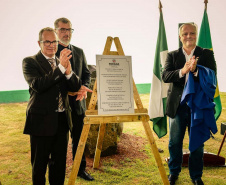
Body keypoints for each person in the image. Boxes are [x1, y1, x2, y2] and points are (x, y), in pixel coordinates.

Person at [22, 27, 92, 185]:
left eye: (54, 41)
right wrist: (61, 68)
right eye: (47, 41)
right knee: (39, 166)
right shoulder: (30, 62)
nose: (51, 45)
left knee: (59, 165)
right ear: (39, 43)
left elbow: (74, 87)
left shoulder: (63, 63)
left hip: (61, 121)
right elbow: (39, 85)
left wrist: (68, 72)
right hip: (40, 122)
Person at [162, 23, 216, 185]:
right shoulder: (171, 55)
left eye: (192, 33)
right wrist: (183, 71)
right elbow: (165, 76)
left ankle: (196, 175)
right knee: (175, 142)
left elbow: (212, 76)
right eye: (185, 34)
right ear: (180, 37)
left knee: (197, 142)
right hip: (177, 106)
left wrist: (196, 71)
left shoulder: (206, 54)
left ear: (196, 35)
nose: (188, 36)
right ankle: (174, 172)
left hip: (197, 106)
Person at [54, 17, 94, 181]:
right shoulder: (51, 51)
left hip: (78, 103)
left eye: (69, 29)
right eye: (62, 29)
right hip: (60, 106)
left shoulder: (79, 51)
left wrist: (83, 86)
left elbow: (86, 74)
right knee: (60, 142)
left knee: (79, 139)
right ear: (56, 31)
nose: (66, 33)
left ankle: (80, 169)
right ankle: (58, 172)